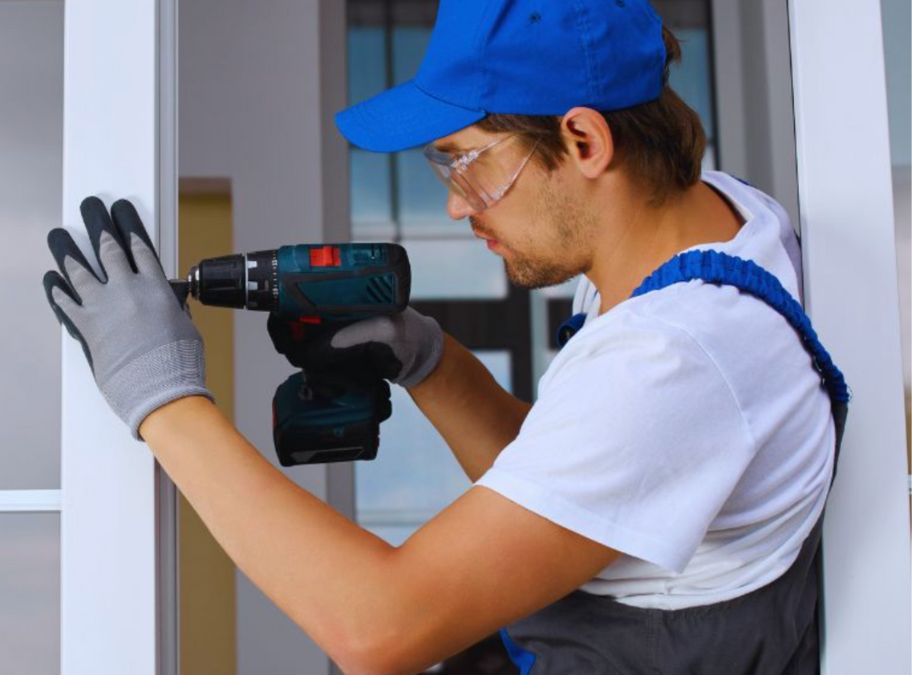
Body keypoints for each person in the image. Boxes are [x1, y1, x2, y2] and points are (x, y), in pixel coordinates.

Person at [42, 0, 847, 672]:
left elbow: (377, 627)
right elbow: (587, 488)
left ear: (585, 141)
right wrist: (431, 360)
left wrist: (164, 396)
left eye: (467, 161)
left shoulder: (677, 356)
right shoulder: (703, 218)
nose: (459, 205)